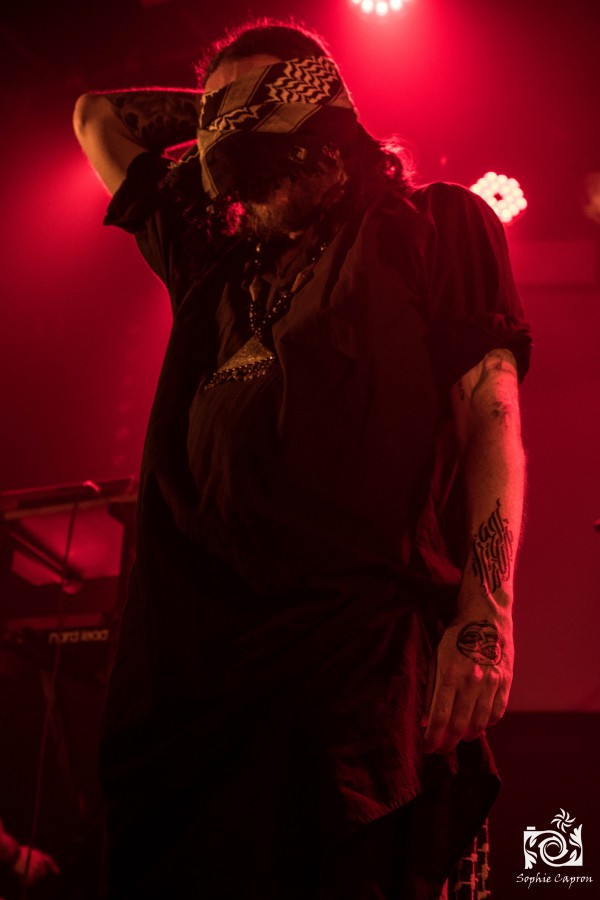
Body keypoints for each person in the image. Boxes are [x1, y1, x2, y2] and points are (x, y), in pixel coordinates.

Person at [73, 17, 532, 900]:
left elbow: (492, 413)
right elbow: (97, 118)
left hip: (347, 673)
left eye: (267, 156)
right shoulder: (213, 263)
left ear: (326, 136)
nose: (250, 189)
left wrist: (487, 615)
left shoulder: (433, 225)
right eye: (235, 165)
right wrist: (221, 112)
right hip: (191, 690)